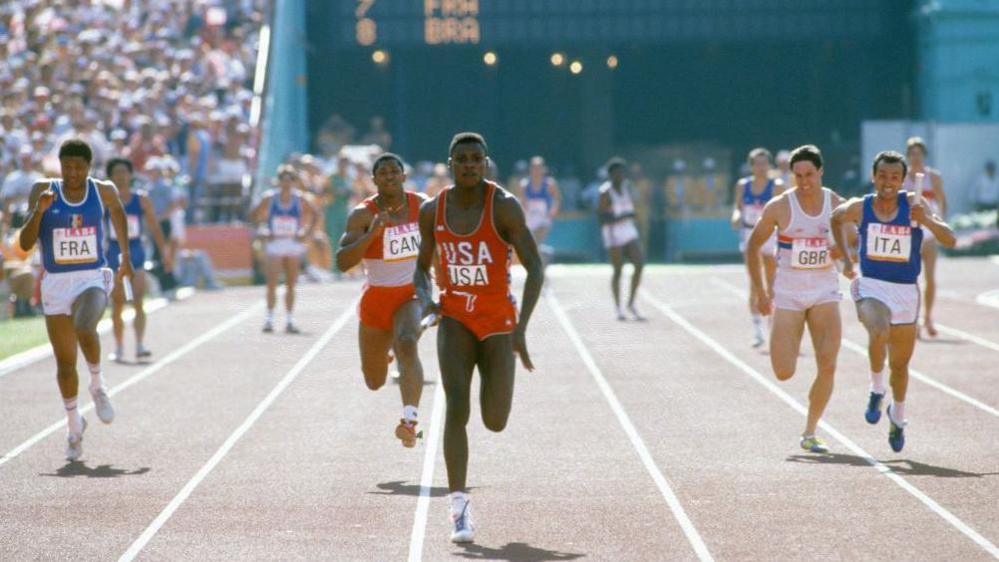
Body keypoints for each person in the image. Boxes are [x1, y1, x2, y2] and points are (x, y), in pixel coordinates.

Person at [414, 132, 543, 543]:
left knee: (495, 419)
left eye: (476, 158)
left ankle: (499, 382)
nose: (469, 164)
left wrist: (521, 329)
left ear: (485, 163)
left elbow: (536, 268)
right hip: (454, 317)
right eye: (462, 159)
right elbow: (420, 267)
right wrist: (427, 300)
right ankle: (459, 509)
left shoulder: (503, 206)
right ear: (450, 164)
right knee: (455, 406)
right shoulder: (433, 210)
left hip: (498, 321)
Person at [18, 139, 133, 460]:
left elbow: (118, 212)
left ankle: (97, 385)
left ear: (88, 167)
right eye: (67, 166)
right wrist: (39, 213)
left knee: (86, 327)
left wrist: (124, 256)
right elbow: (26, 244)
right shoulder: (43, 190)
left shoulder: (102, 190)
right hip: (56, 283)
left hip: (91, 277)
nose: (72, 173)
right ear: (60, 165)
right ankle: (73, 425)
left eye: (78, 167)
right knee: (66, 366)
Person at [832, 150, 955, 452]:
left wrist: (925, 219)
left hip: (905, 292)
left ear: (902, 180)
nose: (888, 182)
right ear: (874, 177)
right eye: (882, 176)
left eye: (894, 177)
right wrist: (847, 261)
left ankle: (897, 417)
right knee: (878, 330)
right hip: (871, 284)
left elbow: (951, 239)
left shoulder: (914, 204)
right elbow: (835, 218)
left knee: (900, 367)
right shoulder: (861, 207)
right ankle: (876, 389)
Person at [746, 145, 845, 453]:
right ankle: (809, 414)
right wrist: (762, 292)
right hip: (788, 294)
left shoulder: (836, 205)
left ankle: (810, 430)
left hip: (825, 292)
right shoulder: (779, 207)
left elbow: (853, 240)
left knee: (827, 365)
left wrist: (844, 252)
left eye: (810, 175)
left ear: (821, 173)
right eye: (798, 176)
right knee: (784, 371)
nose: (804, 182)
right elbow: (752, 248)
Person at [336, 153, 426, 447]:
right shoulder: (362, 215)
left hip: (411, 293)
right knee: (374, 381)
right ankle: (386, 350)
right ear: (374, 180)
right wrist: (373, 234)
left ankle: (409, 421)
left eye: (394, 171)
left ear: (403, 176)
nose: (389, 176)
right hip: (376, 299)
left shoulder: (423, 206)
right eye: (383, 173)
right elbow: (342, 261)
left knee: (408, 342)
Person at [104, 157, 172, 362]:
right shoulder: (105, 200)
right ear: (110, 176)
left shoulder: (141, 199)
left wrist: (165, 252)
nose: (121, 176)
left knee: (138, 300)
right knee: (117, 304)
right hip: (114, 251)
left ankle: (140, 343)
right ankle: (118, 346)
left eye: (124, 172)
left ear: (130, 175)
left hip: (135, 250)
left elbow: (154, 227)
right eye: (117, 173)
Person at [250, 164, 318, 333]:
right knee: (272, 283)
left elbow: (316, 213)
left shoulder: (300, 198)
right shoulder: (270, 198)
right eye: (283, 180)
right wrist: (262, 230)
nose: (287, 184)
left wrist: (306, 232)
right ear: (278, 181)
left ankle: (289, 320)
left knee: (290, 284)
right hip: (275, 243)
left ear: (295, 182)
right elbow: (253, 215)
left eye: (290, 180)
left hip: (292, 243)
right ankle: (269, 319)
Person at [732, 148, 786, 347]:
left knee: (772, 282)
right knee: (755, 283)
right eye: (756, 163)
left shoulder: (777, 186)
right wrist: (736, 217)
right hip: (749, 235)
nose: (760, 167)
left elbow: (782, 212)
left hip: (770, 235)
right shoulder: (742, 185)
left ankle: (773, 327)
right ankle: (757, 330)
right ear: (751, 165)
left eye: (764, 163)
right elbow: (737, 208)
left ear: (769, 165)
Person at [902, 137, 946, 337]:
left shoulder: (933, 176)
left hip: (928, 232)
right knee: (912, 279)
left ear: (924, 155)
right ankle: (914, 319)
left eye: (918, 153)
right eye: (912, 153)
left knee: (930, 277)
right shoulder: (902, 177)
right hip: (908, 233)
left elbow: (942, 201)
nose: (915, 157)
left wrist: (940, 226)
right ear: (907, 156)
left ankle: (928, 317)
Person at [598, 157, 644, 321]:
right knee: (618, 270)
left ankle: (631, 303)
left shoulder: (628, 187)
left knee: (639, 263)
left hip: (628, 230)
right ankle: (618, 307)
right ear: (610, 175)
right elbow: (602, 219)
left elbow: (635, 205)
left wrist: (632, 216)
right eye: (617, 173)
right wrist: (624, 216)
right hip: (613, 232)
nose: (620, 176)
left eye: (622, 173)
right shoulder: (605, 193)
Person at [516, 156, 561, 246]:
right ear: (530, 169)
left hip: (544, 217)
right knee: (531, 242)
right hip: (529, 217)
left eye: (539, 168)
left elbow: (557, 199)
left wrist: (553, 210)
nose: (537, 171)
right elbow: (520, 200)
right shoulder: (524, 184)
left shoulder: (550, 184)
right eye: (534, 168)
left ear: (544, 169)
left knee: (537, 240)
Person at [971, 160, 998, 225]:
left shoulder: (997, 178)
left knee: (993, 223)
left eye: (992, 169)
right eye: (989, 169)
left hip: (994, 205)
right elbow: (973, 190)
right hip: (983, 205)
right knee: (982, 223)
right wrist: (973, 202)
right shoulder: (981, 178)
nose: (991, 171)